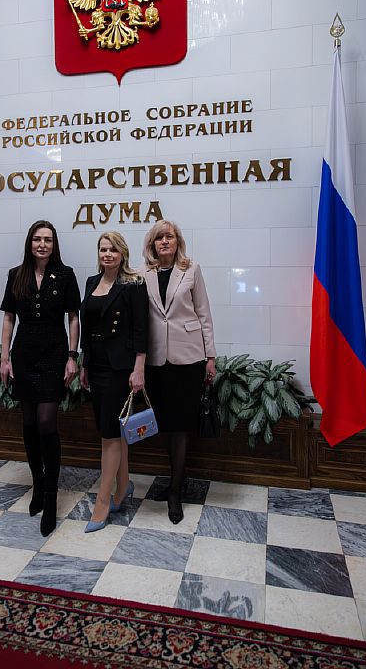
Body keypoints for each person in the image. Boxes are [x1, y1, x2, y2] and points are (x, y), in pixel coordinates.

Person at [0, 220, 80, 537]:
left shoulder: (66, 274)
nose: (42, 244)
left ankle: (51, 494)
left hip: (54, 354)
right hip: (24, 354)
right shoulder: (16, 275)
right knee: (29, 424)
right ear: (29, 243)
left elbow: (73, 318)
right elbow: (9, 318)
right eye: (37, 239)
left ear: (54, 244)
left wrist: (72, 356)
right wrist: (5, 358)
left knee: (47, 422)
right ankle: (37, 482)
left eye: (48, 239)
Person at [142, 221, 216, 525]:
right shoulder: (142, 274)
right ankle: (176, 478)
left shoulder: (191, 270)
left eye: (169, 236)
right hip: (156, 359)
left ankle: (175, 489)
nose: (164, 241)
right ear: (152, 244)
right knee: (164, 423)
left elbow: (204, 313)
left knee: (181, 425)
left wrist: (210, 356)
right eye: (159, 237)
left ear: (177, 241)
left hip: (188, 358)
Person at [80, 231, 148, 533]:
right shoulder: (91, 282)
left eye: (113, 250)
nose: (107, 254)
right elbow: (87, 327)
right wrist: (84, 362)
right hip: (95, 364)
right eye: (103, 249)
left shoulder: (133, 284)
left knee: (109, 434)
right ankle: (123, 486)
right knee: (115, 430)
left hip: (120, 368)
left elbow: (141, 329)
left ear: (123, 254)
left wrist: (139, 368)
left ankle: (103, 501)